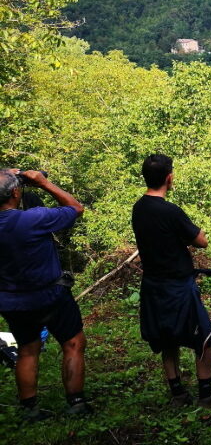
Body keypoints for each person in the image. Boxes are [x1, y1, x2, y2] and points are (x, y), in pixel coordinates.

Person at [131, 154, 211, 409]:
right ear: (169, 178)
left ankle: (178, 394)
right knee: (206, 338)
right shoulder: (170, 211)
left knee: (166, 339)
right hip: (178, 286)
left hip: (152, 283)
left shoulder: (139, 208)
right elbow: (201, 241)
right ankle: (206, 396)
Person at [0, 168, 90, 420]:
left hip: (12, 301)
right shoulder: (34, 218)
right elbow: (76, 208)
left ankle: (29, 408)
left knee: (28, 349)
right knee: (73, 343)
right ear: (16, 193)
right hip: (50, 296)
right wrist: (43, 182)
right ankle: (77, 403)